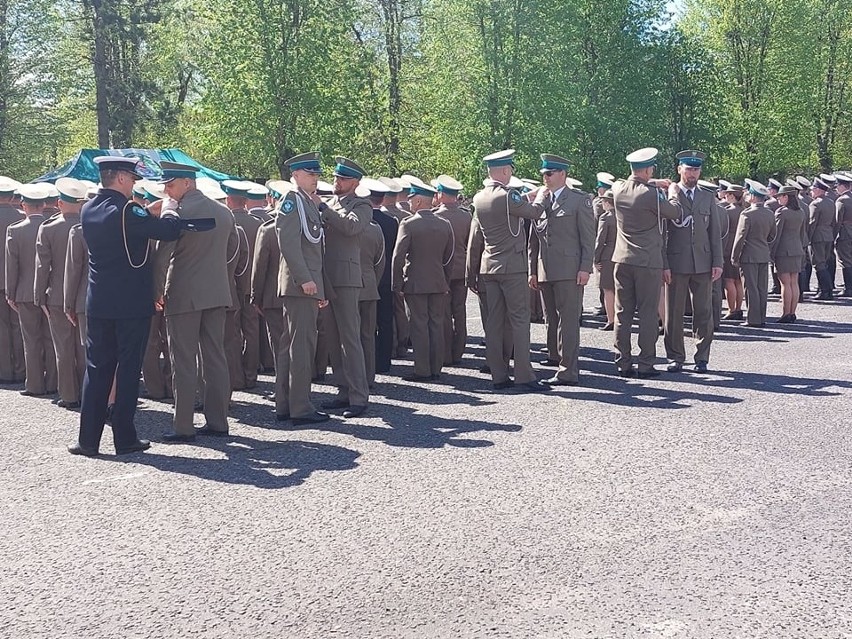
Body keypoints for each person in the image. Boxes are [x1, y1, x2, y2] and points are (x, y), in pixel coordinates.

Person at [68, 156, 213, 456]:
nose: (134, 184)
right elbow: (168, 231)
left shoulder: (89, 208)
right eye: (132, 179)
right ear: (121, 178)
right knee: (128, 369)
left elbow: (125, 224)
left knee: (97, 370)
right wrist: (170, 210)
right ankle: (125, 438)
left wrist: (145, 211)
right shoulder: (128, 210)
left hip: (99, 302)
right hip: (129, 304)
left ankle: (87, 440)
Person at [153, 161, 234, 443]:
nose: (166, 190)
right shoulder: (224, 212)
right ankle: (218, 421)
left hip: (183, 294)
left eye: (170, 184)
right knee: (215, 358)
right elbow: (231, 252)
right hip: (217, 292)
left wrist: (156, 292)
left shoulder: (176, 214)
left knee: (184, 361)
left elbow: (162, 256)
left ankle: (183, 426)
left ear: (187, 183)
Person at [611, 147, 682, 378]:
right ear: (649, 169)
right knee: (648, 314)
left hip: (622, 259)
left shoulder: (618, 189)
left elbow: (624, 183)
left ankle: (623, 362)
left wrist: (651, 182)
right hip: (647, 260)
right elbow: (674, 213)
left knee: (623, 313)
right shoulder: (652, 195)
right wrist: (671, 190)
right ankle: (645, 363)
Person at [527, 154, 595, 386]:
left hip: (569, 269)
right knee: (551, 319)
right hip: (545, 269)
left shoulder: (578, 200)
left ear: (562, 175)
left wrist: (585, 268)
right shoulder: (542, 200)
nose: (545, 178)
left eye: (549, 174)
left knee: (568, 320)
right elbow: (533, 239)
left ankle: (568, 371)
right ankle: (556, 359)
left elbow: (588, 238)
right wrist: (532, 270)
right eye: (544, 174)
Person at [273, 153, 330, 424]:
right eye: (310, 175)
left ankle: (287, 404)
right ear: (295, 175)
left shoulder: (307, 203)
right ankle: (300, 407)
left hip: (305, 285)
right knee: (301, 347)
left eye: (316, 175)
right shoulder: (292, 201)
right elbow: (288, 242)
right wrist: (305, 279)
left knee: (292, 346)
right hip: (300, 286)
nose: (315, 179)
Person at [317, 157, 371, 419]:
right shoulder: (330, 204)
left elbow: (351, 226)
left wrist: (324, 210)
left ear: (355, 183)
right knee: (333, 337)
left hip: (347, 277)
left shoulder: (361, 204)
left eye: (342, 179)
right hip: (327, 276)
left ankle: (359, 396)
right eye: (336, 178)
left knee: (350, 338)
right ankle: (343, 390)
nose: (336, 182)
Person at [662, 150, 723, 373]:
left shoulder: (707, 197)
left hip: (703, 262)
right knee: (674, 312)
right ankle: (676, 356)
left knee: (704, 312)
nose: (692, 173)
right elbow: (663, 234)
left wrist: (718, 261)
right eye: (688, 169)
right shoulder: (670, 194)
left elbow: (714, 232)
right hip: (676, 263)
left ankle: (702, 357)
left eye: (696, 169)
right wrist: (664, 263)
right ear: (679, 169)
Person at [392, 181, 454, 381]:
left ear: (418, 201)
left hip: (415, 283)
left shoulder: (409, 224)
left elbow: (398, 256)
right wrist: (445, 279)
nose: (409, 203)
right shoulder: (444, 224)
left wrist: (397, 284)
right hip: (438, 282)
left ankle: (422, 370)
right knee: (436, 324)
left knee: (419, 325)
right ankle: (436, 367)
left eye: (411, 199)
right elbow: (449, 257)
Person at [34, 177, 87, 409]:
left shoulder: (48, 228)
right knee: (86, 349)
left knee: (63, 348)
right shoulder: (90, 226)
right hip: (85, 295)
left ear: (59, 202)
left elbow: (41, 266)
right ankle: (91, 393)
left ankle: (69, 394)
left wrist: (39, 296)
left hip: (56, 296)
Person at [5, 183, 56, 396]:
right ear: (44, 205)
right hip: (50, 292)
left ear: (24, 205)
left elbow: (12, 265)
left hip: (25, 292)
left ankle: (34, 384)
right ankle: (54, 382)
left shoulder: (15, 230)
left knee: (31, 339)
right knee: (51, 339)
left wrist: (10, 293)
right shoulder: (52, 226)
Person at [223, 179, 264, 389]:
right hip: (252, 285)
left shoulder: (226, 223)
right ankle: (251, 375)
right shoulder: (259, 224)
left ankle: (236, 378)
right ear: (246, 201)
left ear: (229, 199)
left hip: (232, 284)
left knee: (231, 335)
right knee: (251, 331)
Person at [432, 175, 471, 365]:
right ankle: (459, 351)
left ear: (440, 194)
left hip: (442, 271)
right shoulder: (467, 216)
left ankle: (446, 353)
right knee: (460, 310)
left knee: (444, 313)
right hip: (462, 269)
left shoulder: (436, 216)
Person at [731, 180, 776, 327]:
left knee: (750, 288)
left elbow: (740, 238)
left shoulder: (747, 214)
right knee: (762, 287)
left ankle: (753, 319)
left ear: (754, 197)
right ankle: (761, 317)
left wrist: (734, 256)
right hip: (763, 253)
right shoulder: (770, 213)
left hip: (748, 255)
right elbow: (772, 236)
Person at [0, 176, 25, 384]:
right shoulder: (21, 217)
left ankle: (4, 371)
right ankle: (21, 370)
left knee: (2, 327)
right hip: (20, 281)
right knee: (19, 327)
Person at [771, 185, 808, 323]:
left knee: (785, 283)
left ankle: (786, 313)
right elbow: (802, 233)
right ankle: (792, 313)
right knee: (794, 282)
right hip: (797, 249)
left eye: (780, 196)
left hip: (783, 251)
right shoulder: (801, 212)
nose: (778, 199)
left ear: (786, 197)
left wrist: (772, 252)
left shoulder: (782, 212)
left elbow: (777, 235)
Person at [808, 177, 837, 300]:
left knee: (819, 264)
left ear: (819, 190)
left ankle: (826, 290)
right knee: (824, 263)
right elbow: (834, 222)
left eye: (813, 189)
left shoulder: (815, 204)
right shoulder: (831, 202)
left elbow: (812, 223)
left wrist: (807, 238)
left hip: (818, 236)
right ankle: (825, 289)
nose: (812, 192)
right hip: (828, 235)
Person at [721, 184, 745, 320]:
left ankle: (732, 309)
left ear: (732, 196)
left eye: (728, 194)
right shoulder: (745, 210)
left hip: (728, 247)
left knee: (729, 281)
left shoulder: (727, 211)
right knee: (738, 281)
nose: (726, 196)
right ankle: (738, 308)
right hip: (741, 248)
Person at [594, 190, 617, 330]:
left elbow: (600, 240)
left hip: (607, 257)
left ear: (608, 203)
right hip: (620, 255)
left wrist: (596, 259)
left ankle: (611, 320)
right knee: (619, 290)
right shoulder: (623, 216)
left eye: (603, 201)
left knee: (608, 290)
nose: (602, 203)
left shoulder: (605, 218)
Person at [834, 172, 852, 297]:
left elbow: (837, 220)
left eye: (837, 185)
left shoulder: (841, 200)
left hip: (844, 232)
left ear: (842, 186)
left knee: (845, 260)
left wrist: (834, 235)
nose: (836, 188)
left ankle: (848, 288)